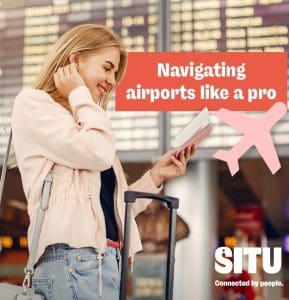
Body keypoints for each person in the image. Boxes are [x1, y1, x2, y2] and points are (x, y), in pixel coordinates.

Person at [11, 23, 196, 299]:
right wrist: (78, 94)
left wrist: (156, 176)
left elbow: (114, 211)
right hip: (72, 261)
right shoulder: (34, 104)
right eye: (107, 68)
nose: (112, 81)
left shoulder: (84, 123)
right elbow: (98, 153)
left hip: (107, 262)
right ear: (75, 60)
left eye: (115, 73)